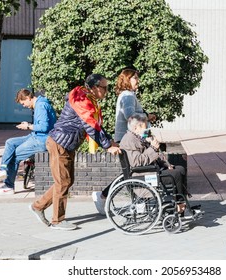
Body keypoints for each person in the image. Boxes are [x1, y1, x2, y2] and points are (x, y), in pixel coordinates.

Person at [29, 74, 120, 231]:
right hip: (60, 143)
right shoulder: (82, 101)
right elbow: (91, 126)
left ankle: (38, 206)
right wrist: (107, 146)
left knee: (66, 181)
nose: (107, 91)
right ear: (95, 87)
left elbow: (95, 124)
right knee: (63, 182)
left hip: (66, 144)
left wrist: (109, 140)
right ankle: (57, 220)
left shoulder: (86, 99)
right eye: (105, 87)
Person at [93, 113, 189, 215]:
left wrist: (165, 164)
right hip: (142, 175)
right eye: (145, 126)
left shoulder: (138, 138)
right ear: (136, 127)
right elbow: (137, 162)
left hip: (149, 170)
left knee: (180, 169)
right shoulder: (129, 140)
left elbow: (149, 157)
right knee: (176, 175)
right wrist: (153, 148)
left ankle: (181, 202)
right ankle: (179, 205)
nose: (147, 128)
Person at [92, 68, 156, 212]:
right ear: (127, 80)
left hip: (128, 138)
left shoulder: (127, 95)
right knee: (132, 172)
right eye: (135, 78)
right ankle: (103, 196)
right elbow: (131, 116)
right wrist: (147, 115)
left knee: (130, 172)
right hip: (128, 139)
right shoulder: (127, 96)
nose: (138, 80)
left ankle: (138, 201)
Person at [0, 89, 57, 195]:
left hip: (41, 140)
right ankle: (2, 168)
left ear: (28, 98)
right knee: (10, 142)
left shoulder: (40, 106)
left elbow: (44, 127)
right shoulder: (40, 103)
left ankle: (8, 186)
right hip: (35, 135)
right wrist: (28, 124)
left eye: (23, 103)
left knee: (14, 156)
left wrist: (28, 126)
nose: (24, 106)